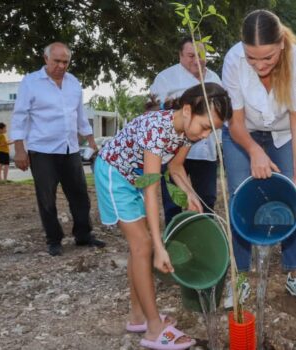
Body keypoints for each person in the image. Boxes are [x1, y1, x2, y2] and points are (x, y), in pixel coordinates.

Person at [95, 83, 231, 350]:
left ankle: (138, 316)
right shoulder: (157, 131)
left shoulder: (187, 132)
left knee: (139, 248)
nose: (206, 136)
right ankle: (154, 329)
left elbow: (176, 167)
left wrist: (190, 194)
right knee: (144, 246)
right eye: (205, 127)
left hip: (134, 179)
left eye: (212, 131)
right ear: (188, 110)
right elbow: (152, 189)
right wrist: (160, 247)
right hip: (115, 175)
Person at [221, 9, 296, 308]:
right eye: (252, 58)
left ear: (280, 45)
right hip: (241, 135)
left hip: (284, 134)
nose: (259, 65)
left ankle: (295, 273)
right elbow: (234, 122)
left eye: (267, 58)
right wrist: (254, 150)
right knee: (239, 200)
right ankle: (239, 278)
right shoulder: (233, 60)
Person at [10, 42, 106, 257]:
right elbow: (20, 116)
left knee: (80, 195)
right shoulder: (31, 82)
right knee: (47, 198)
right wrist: (19, 149)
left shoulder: (73, 83)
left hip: (70, 149)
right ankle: (54, 240)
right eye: (57, 61)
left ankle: (83, 235)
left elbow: (80, 115)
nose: (61, 66)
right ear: (46, 59)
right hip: (42, 150)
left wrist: (91, 141)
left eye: (65, 62)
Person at [150, 36, 223, 224]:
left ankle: (203, 238)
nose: (196, 60)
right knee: (174, 201)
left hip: (206, 152)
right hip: (174, 151)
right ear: (180, 55)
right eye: (191, 55)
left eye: (201, 55)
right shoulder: (165, 78)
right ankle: (174, 241)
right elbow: (153, 112)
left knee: (206, 199)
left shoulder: (215, 78)